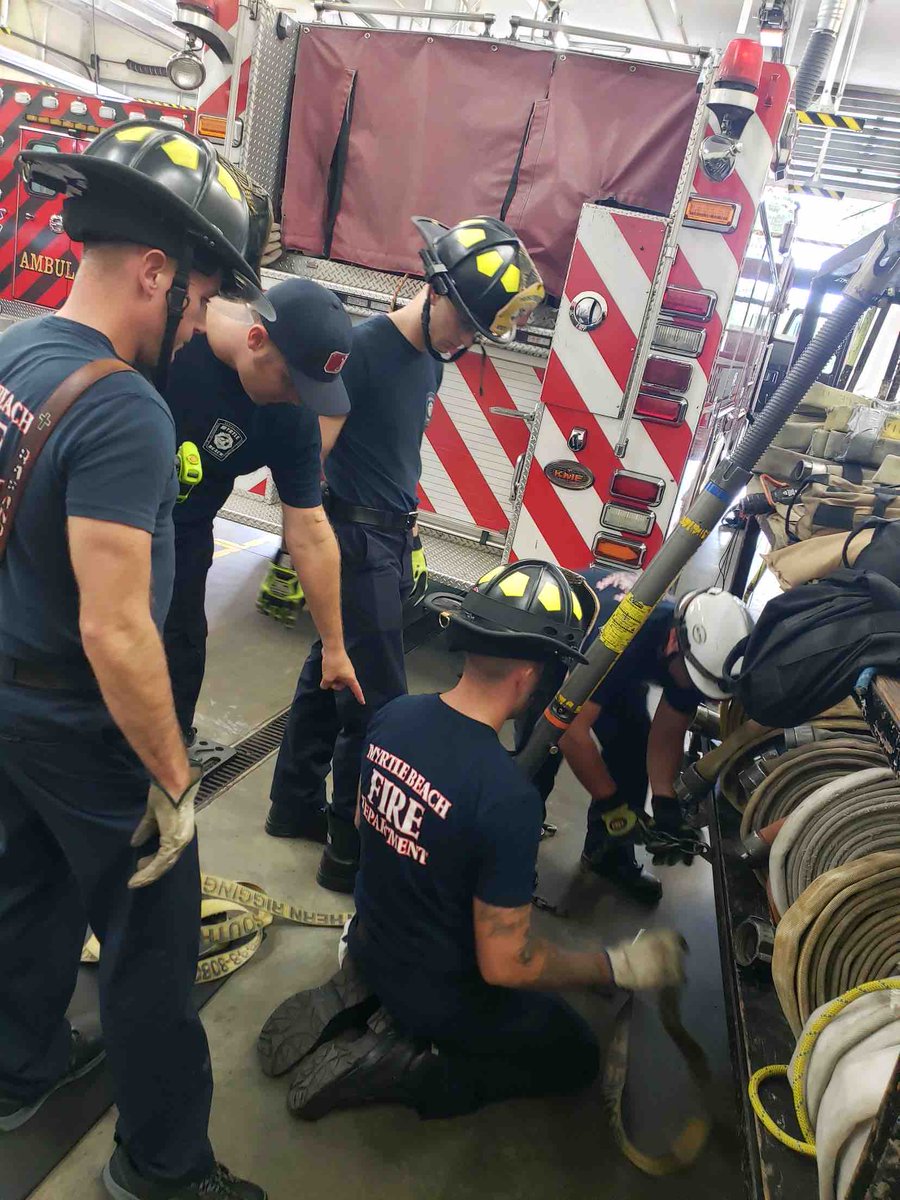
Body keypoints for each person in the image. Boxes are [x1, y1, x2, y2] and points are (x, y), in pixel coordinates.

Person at [0, 122, 267, 1199]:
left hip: (10, 701)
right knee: (153, 945)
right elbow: (119, 630)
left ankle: (15, 1067)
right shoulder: (126, 408)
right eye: (198, 297)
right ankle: (162, 1169)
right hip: (82, 724)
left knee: (22, 891)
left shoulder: (15, 349)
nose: (199, 322)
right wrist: (171, 778)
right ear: (154, 270)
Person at [256, 560, 687, 1119]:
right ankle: (415, 1067)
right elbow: (508, 964)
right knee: (576, 1054)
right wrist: (612, 968)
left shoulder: (395, 716)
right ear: (534, 675)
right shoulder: (508, 798)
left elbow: (367, 831)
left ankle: (365, 983)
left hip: (370, 936)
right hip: (440, 992)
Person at [266, 215, 546, 893]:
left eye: (482, 331)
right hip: (354, 543)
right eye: (466, 323)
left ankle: (290, 806)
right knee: (377, 701)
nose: (468, 340)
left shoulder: (429, 359)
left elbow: (394, 448)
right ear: (436, 289)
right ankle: (346, 849)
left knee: (324, 678)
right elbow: (315, 459)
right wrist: (315, 544)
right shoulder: (361, 350)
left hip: (387, 536)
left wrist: (407, 522)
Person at [162, 277, 363, 767]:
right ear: (257, 341)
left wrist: (335, 647)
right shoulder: (173, 343)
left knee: (182, 645)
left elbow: (311, 532)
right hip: (107, 519)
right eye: (293, 383)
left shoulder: (289, 417)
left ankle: (169, 750)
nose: (299, 401)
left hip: (186, 532)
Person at [516, 568, 755, 905]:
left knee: (632, 745)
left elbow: (668, 731)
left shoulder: (696, 659)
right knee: (540, 755)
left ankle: (607, 856)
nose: (694, 691)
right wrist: (613, 805)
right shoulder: (627, 635)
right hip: (562, 652)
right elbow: (572, 734)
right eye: (694, 683)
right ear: (674, 644)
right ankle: (510, 863)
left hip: (617, 669)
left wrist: (665, 802)